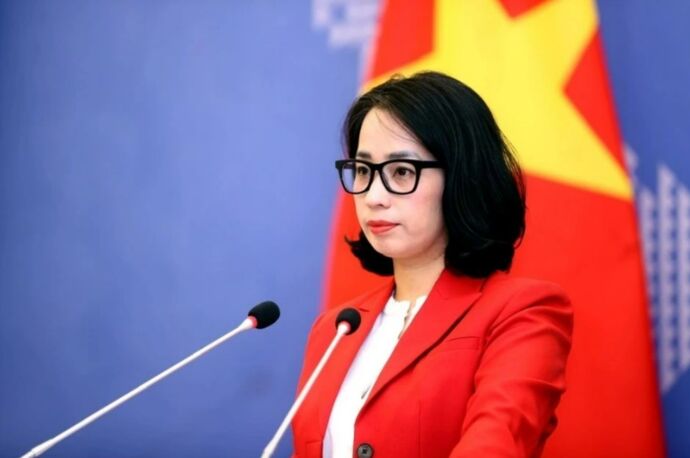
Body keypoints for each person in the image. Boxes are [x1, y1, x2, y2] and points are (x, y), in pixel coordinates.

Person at [291, 71, 573, 458]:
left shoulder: (523, 312)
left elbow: (496, 443)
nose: (373, 196)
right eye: (363, 171)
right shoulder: (334, 329)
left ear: (461, 178)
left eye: (401, 172)